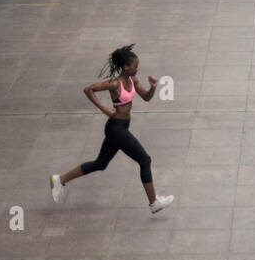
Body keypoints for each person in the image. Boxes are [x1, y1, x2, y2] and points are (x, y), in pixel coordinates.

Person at [50, 45, 173, 214]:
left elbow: (146, 98)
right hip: (116, 129)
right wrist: (105, 109)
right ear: (125, 67)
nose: (137, 68)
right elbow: (89, 90)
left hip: (122, 127)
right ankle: (154, 202)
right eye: (135, 66)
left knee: (100, 164)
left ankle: (60, 180)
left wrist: (153, 87)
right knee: (145, 160)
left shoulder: (133, 81)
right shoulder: (114, 84)